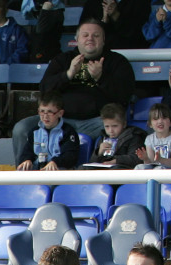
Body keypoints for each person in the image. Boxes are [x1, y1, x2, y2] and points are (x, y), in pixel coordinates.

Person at [10, 20, 135, 160]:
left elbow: (125, 95)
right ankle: (24, 176)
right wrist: (68, 74)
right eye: (85, 35)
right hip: (60, 121)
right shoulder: (63, 60)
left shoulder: (117, 61)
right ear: (77, 40)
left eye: (96, 35)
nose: (90, 38)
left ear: (104, 40)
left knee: (117, 127)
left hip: (96, 122)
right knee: (22, 128)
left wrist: (101, 77)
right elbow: (44, 89)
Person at [16, 91, 80, 171]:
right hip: (39, 170)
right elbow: (27, 151)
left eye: (50, 112)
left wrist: (55, 162)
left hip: (59, 170)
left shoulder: (67, 132)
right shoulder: (34, 131)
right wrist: (27, 160)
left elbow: (70, 156)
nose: (45, 116)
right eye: (42, 111)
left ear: (60, 113)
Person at [90, 103, 146, 168]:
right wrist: (99, 153)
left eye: (115, 126)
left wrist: (116, 160)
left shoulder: (133, 137)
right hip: (104, 169)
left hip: (122, 169)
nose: (111, 130)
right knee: (83, 168)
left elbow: (136, 159)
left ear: (124, 124)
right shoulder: (103, 138)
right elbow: (92, 161)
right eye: (107, 126)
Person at [79, 0, 148, 50]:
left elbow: (139, 36)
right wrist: (104, 21)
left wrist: (116, 15)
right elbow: (83, 32)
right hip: (98, 54)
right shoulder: (92, 3)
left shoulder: (140, 2)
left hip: (129, 52)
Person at [138, 103, 171, 168]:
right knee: (139, 167)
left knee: (159, 169)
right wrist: (145, 158)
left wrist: (161, 160)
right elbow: (151, 163)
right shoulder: (149, 139)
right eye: (156, 119)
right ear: (150, 124)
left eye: (164, 118)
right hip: (157, 171)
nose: (160, 121)